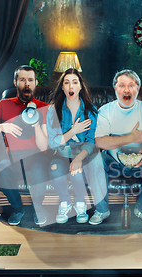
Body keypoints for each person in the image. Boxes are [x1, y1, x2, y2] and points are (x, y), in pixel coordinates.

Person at [0, 65, 51, 226]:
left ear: (36, 83)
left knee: (39, 171)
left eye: (30, 80)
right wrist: (0, 127)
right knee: (1, 172)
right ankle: (18, 209)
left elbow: (44, 146)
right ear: (15, 82)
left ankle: (38, 208)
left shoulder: (43, 108)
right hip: (13, 156)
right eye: (22, 80)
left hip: (36, 156)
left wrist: (36, 122)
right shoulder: (4, 105)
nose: (27, 84)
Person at [94, 69, 142, 225]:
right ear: (115, 89)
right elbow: (99, 142)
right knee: (95, 160)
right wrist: (130, 138)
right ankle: (101, 210)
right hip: (113, 162)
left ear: (137, 88)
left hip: (141, 162)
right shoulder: (105, 111)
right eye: (121, 86)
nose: (126, 90)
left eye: (131, 85)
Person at [46, 68, 107, 224]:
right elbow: (52, 142)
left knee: (76, 171)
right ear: (62, 87)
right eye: (66, 83)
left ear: (80, 87)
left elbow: (91, 141)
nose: (70, 86)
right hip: (60, 154)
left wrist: (79, 159)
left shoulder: (91, 110)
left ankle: (80, 204)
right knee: (54, 170)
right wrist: (74, 130)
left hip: (82, 154)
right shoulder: (53, 110)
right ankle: (65, 203)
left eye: (74, 82)